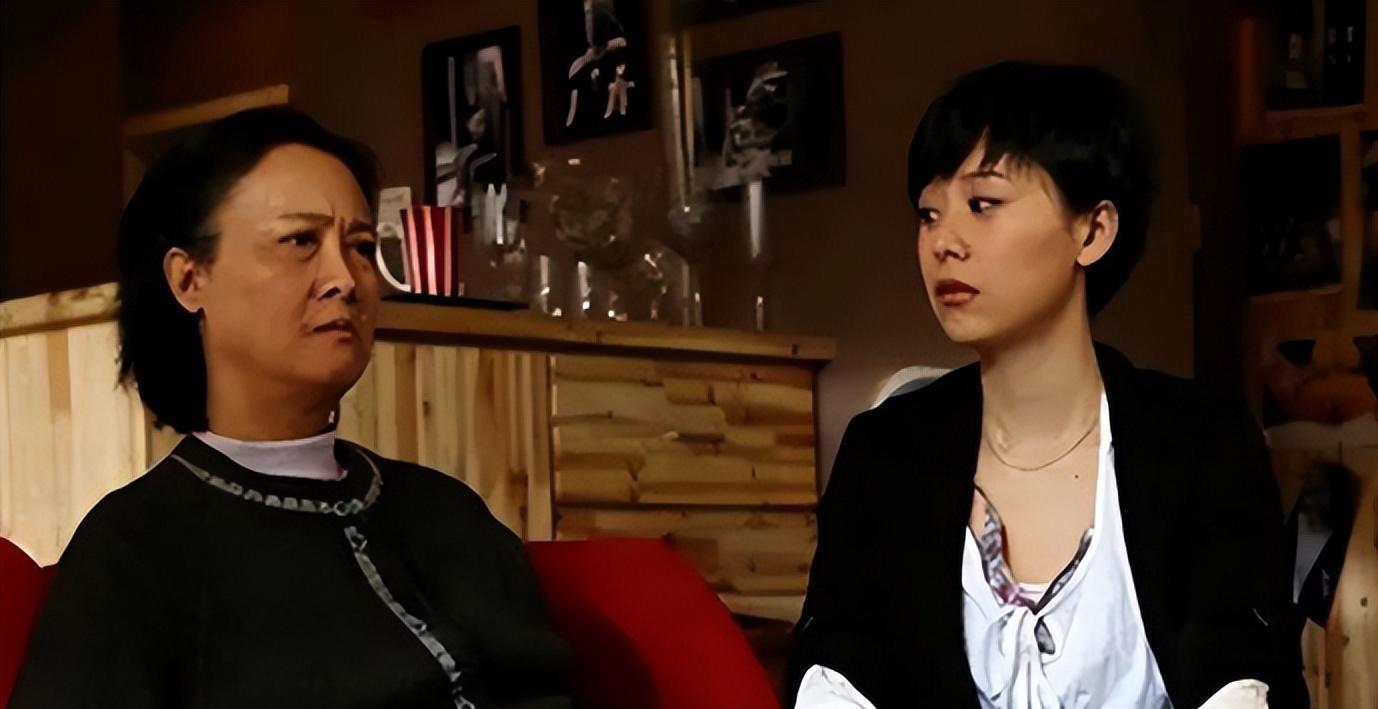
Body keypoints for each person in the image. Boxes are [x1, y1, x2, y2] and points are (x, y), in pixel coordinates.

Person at [11, 107, 572, 709]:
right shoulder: (133, 550)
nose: (345, 278)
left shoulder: (447, 512)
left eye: (361, 247)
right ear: (189, 279)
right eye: (301, 241)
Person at [788, 62, 1307, 709]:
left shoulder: (1201, 443)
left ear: (1093, 230)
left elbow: (1247, 672)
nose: (943, 242)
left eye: (983, 204)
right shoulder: (885, 453)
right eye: (928, 213)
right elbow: (833, 667)